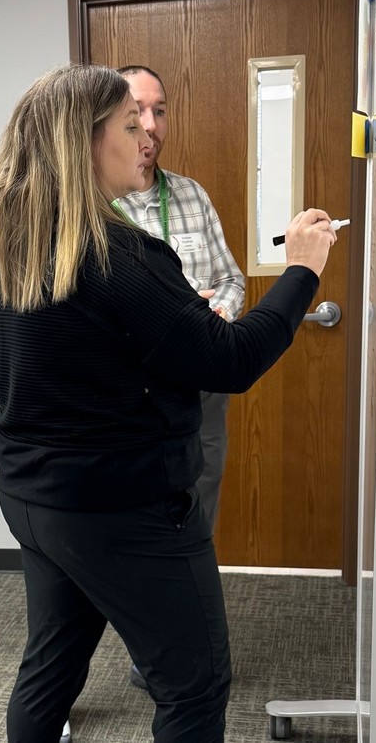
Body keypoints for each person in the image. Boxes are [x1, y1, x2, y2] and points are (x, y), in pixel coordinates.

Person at [0, 63, 335, 743]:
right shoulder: (123, 256)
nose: (144, 134)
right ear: (86, 142)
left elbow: (20, 370)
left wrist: (161, 337)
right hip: (124, 510)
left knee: (50, 668)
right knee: (195, 686)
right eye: (128, 122)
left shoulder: (17, 251)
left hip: (36, 498)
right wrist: (304, 270)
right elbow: (233, 361)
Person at [115, 65, 244, 533]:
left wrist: (218, 310)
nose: (150, 125)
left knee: (203, 484)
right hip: (134, 386)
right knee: (134, 500)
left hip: (201, 381)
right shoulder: (92, 204)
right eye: (136, 112)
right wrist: (175, 312)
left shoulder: (192, 196)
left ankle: (194, 576)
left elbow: (231, 279)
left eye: (160, 111)